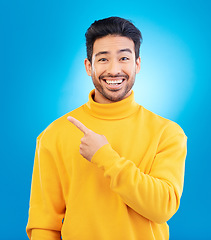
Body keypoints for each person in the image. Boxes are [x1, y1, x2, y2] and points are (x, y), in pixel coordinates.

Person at [26, 16, 187, 240]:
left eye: (123, 58)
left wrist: (105, 157)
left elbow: (162, 207)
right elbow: (44, 224)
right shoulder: (54, 134)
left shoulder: (167, 133)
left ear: (137, 64)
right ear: (88, 65)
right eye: (103, 59)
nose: (114, 70)